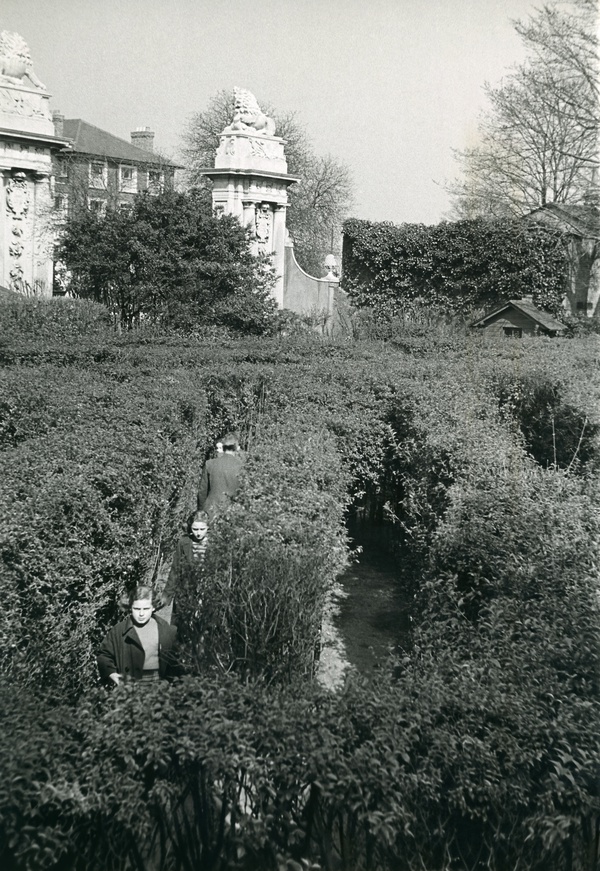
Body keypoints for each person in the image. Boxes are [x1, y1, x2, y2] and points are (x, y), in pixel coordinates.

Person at [97, 585, 179, 685]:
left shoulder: (166, 630)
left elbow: (176, 661)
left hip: (158, 684)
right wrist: (112, 674)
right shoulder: (119, 631)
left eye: (146, 609)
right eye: (136, 609)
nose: (141, 614)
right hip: (130, 684)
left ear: (153, 607)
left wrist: (168, 681)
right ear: (130, 607)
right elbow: (104, 654)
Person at [158, 510, 209, 616]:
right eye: (195, 529)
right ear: (190, 528)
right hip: (185, 590)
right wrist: (166, 596)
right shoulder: (183, 542)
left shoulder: (215, 544)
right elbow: (175, 570)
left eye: (202, 529)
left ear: (208, 528)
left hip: (207, 593)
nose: (198, 533)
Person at [197, 433, 245, 515]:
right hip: (233, 513)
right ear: (236, 448)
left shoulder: (210, 464)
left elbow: (202, 492)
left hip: (211, 511)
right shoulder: (242, 467)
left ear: (223, 447)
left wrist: (201, 512)